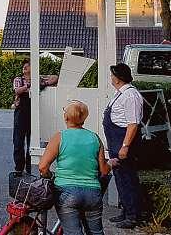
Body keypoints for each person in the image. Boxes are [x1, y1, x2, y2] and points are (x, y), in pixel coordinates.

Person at [38, 100, 110, 235]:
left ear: (66, 117)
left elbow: (42, 167)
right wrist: (112, 163)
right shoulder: (95, 138)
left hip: (66, 192)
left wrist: (50, 176)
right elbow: (104, 170)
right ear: (84, 118)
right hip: (92, 193)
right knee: (96, 232)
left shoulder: (60, 137)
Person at [103, 63, 144, 229]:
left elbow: (133, 124)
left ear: (119, 78)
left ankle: (133, 215)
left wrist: (125, 146)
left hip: (123, 142)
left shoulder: (130, 96)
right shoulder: (120, 94)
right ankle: (126, 211)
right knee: (120, 178)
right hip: (115, 141)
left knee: (128, 179)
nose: (111, 78)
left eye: (113, 75)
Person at [12, 61, 59, 172]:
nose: (25, 67)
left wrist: (40, 78)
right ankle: (18, 168)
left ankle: (29, 168)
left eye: (28, 66)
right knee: (18, 142)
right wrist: (29, 84)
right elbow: (17, 90)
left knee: (31, 142)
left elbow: (55, 78)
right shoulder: (18, 79)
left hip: (34, 113)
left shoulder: (38, 80)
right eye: (24, 66)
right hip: (21, 114)